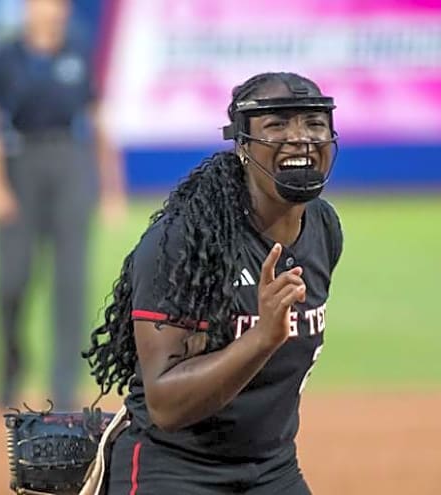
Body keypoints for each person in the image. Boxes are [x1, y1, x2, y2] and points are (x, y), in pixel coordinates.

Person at [83, 72, 343, 494]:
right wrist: (261, 338)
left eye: (314, 123)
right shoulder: (186, 241)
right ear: (242, 144)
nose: (300, 137)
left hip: (272, 468)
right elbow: (165, 403)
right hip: (175, 469)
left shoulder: (324, 228)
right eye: (276, 124)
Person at [0, 0, 126, 410]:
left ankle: (64, 387)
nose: (50, 10)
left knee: (70, 281)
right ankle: (11, 366)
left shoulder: (76, 51)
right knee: (12, 280)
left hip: (69, 162)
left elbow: (99, 120)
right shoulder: (6, 56)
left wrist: (111, 187)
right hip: (21, 162)